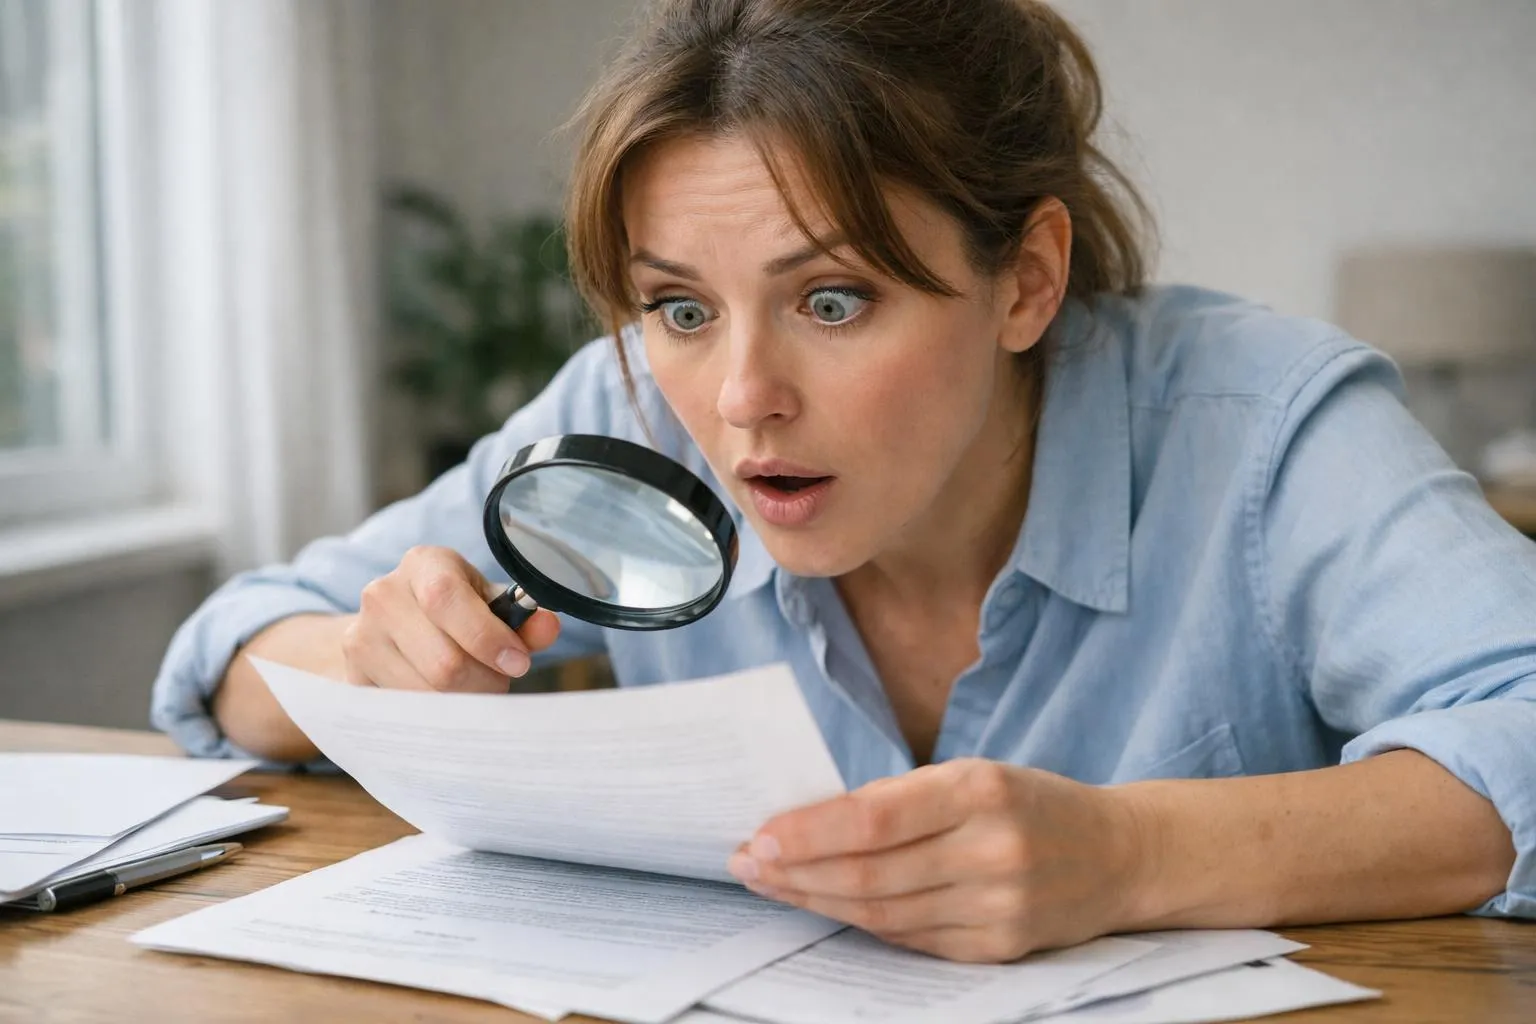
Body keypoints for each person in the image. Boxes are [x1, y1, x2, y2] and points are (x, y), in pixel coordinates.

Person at [152, 0, 1535, 963]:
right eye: (682, 306)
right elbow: (232, 654)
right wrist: (359, 649)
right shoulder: (634, 410)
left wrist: (1129, 856)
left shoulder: (1265, 428)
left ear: (1027, 280)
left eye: (831, 300)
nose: (740, 397)